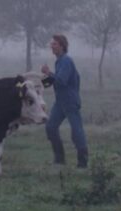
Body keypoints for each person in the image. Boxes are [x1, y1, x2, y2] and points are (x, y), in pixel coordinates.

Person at [41, 34, 88, 168]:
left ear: (62, 46)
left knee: (76, 131)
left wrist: (49, 72)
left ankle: (83, 163)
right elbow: (53, 82)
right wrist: (44, 77)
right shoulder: (59, 61)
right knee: (50, 127)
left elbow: (61, 81)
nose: (52, 46)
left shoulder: (66, 61)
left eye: (54, 44)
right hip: (60, 102)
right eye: (52, 44)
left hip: (70, 101)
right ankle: (59, 159)